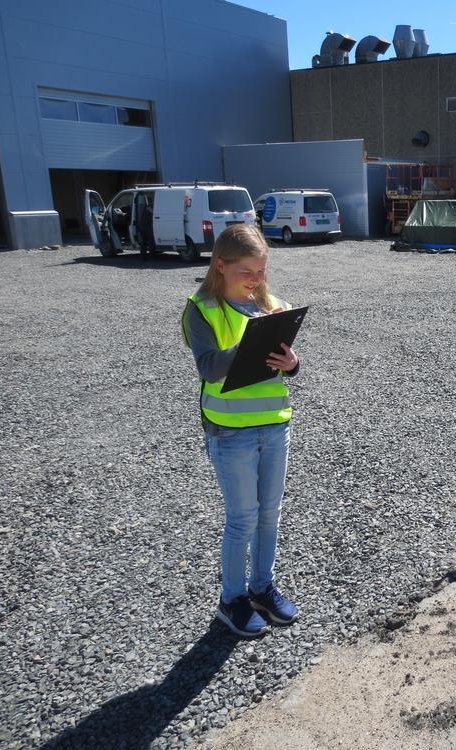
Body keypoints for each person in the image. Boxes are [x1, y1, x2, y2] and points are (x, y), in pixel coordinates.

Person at [181, 223, 301, 638]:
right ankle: (231, 601)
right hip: (231, 432)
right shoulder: (201, 309)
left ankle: (262, 588)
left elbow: (285, 361)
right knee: (241, 519)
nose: (257, 280)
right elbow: (209, 367)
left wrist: (293, 363)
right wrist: (252, 338)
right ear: (220, 265)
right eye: (246, 271)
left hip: (274, 425)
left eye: (262, 270)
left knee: (270, 515)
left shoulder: (271, 304)